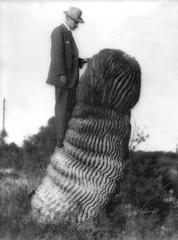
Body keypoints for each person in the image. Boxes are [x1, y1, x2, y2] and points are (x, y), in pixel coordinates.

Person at [46, 7, 89, 148]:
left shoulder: (68, 34)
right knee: (62, 108)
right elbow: (57, 55)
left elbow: (70, 58)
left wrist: (83, 61)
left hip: (70, 80)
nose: (77, 25)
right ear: (68, 19)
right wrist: (62, 74)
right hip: (64, 79)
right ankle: (60, 140)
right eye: (76, 22)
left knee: (68, 108)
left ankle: (65, 139)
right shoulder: (58, 32)